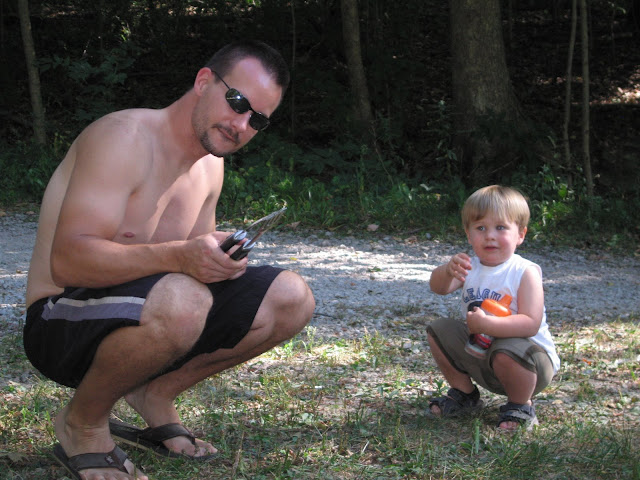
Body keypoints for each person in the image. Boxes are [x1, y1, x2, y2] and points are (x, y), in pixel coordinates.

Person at [23, 40, 315, 480]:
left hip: (140, 313)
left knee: (292, 297)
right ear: (203, 81)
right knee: (183, 299)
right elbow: (67, 263)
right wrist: (181, 256)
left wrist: (216, 259)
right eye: (238, 102)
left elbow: (190, 272)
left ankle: (154, 394)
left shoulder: (210, 167)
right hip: (58, 320)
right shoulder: (123, 138)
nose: (241, 124)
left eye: (257, 119)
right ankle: (81, 423)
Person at [427, 185, 559, 431]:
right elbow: (439, 288)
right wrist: (447, 270)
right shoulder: (470, 267)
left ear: (520, 234)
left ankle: (521, 406)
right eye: (480, 228)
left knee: (506, 347)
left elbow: (530, 323)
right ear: (468, 235)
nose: (489, 236)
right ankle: (465, 396)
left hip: (530, 364)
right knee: (439, 329)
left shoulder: (524, 271)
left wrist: (488, 324)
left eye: (500, 227)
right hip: (482, 353)